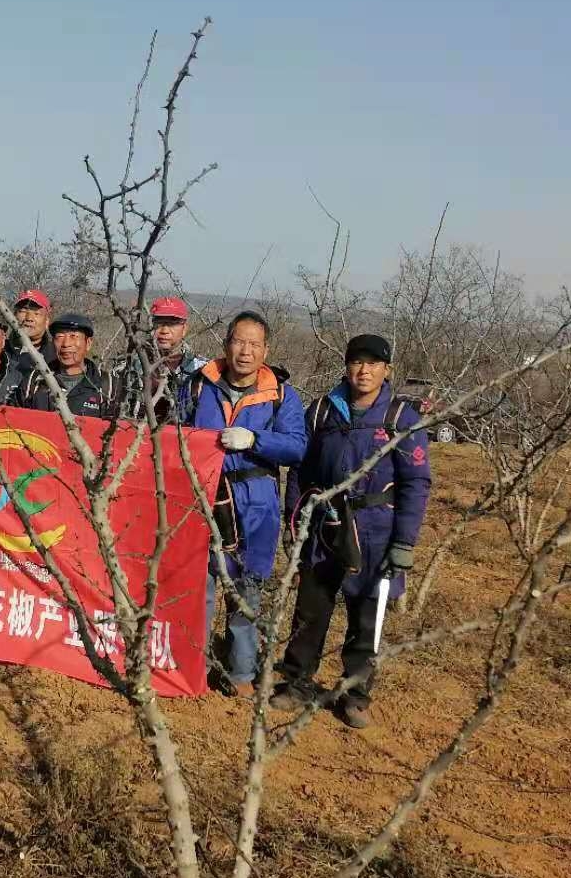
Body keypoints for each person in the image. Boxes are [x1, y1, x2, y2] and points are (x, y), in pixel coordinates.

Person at [274, 333, 432, 729]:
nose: (364, 371)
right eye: (357, 362)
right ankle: (297, 682)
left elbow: (416, 482)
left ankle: (355, 694)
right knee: (311, 608)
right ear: (346, 366)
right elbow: (300, 470)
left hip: (375, 530)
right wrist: (295, 520)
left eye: (373, 364)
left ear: (386, 370)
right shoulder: (323, 412)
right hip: (324, 524)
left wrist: (404, 542)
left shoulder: (400, 419)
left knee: (367, 615)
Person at [191, 311, 308, 697]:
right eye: (239, 342)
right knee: (200, 586)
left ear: (265, 350)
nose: (245, 351)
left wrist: (255, 440)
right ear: (226, 344)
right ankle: (195, 665)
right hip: (205, 497)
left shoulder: (281, 394)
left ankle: (241, 673)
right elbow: (176, 432)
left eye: (254, 344)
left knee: (247, 589)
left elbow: (297, 446)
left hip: (257, 504)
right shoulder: (200, 385)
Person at [116, 296, 207, 423]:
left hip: (181, 438)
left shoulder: (201, 370)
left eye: (172, 323)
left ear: (184, 329)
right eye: (159, 323)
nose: (164, 330)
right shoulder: (129, 364)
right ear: (150, 325)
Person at [16, 312, 115, 418]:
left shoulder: (107, 386)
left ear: (88, 343)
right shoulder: (34, 381)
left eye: (74, 336)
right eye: (60, 337)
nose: (66, 344)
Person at [11, 289, 59, 372]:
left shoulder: (57, 356)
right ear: (14, 316)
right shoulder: (0, 352)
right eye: (23, 311)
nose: (29, 318)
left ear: (47, 321)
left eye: (36, 313)